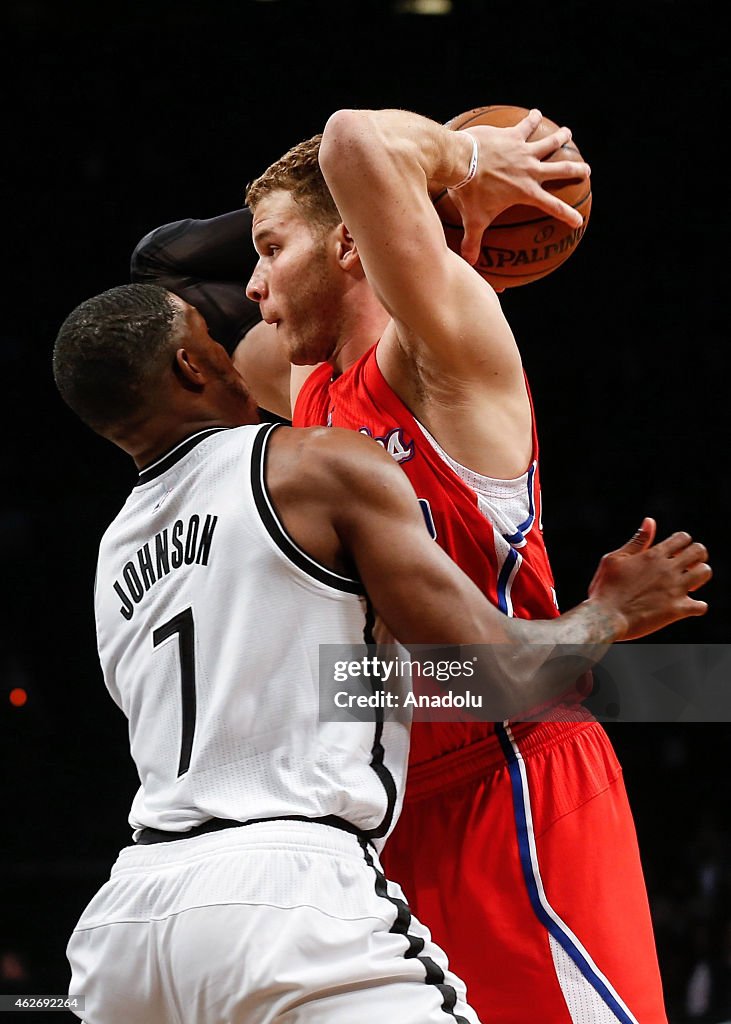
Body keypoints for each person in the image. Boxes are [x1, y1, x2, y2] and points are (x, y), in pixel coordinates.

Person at [131, 109, 682, 1022]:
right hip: (374, 814)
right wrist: (305, 212)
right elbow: (168, 272)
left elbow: (352, 139)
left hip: (510, 773)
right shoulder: (299, 383)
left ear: (352, 245)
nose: (257, 282)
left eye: (273, 249)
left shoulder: (439, 351)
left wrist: (466, 159)